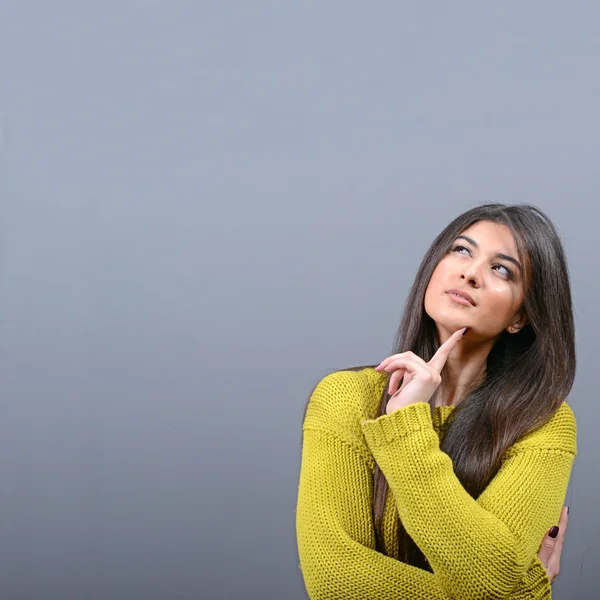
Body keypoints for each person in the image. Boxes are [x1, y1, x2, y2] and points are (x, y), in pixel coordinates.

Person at [296, 203, 577, 599]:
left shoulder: (543, 422)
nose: (470, 273)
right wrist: (522, 594)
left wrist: (404, 430)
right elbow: (335, 581)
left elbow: (491, 581)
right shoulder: (346, 398)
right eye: (462, 250)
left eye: (502, 269)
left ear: (521, 317)